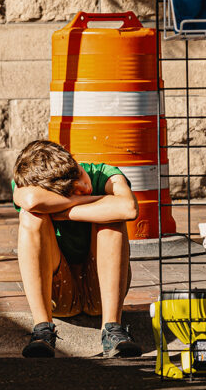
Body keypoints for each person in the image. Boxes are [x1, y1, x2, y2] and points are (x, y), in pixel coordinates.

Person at [11, 139, 141, 358]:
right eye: (70, 191)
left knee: (113, 218)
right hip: (59, 295)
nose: (84, 186)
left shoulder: (105, 173)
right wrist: (97, 202)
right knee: (30, 217)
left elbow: (128, 208)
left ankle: (113, 330)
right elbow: (31, 200)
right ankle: (43, 330)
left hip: (100, 290)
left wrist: (66, 210)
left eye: (78, 174)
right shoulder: (30, 182)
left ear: (74, 160)